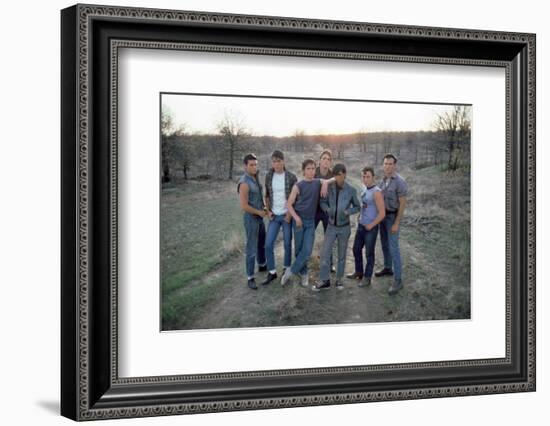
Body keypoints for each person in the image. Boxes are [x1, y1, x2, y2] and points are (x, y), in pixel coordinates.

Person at [280, 159, 332, 288]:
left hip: (310, 222)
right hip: (298, 221)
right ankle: (304, 273)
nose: (311, 171)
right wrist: (296, 218)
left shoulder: (317, 182)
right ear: (304, 170)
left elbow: (334, 179)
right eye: (308, 168)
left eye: (313, 168)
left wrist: (325, 182)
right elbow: (289, 205)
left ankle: (290, 271)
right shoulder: (298, 186)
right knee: (298, 250)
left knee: (307, 250)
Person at [313, 164, 360, 291]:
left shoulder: (351, 190)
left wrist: (347, 212)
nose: (338, 177)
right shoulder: (330, 187)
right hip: (331, 226)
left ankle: (339, 280)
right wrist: (327, 209)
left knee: (342, 255)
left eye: (340, 174)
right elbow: (322, 202)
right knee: (325, 253)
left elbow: (357, 206)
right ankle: (324, 280)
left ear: (344, 174)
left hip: (344, 228)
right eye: (336, 175)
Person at [261, 150, 297, 285]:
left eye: (278, 161)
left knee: (287, 244)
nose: (276, 164)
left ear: (283, 161)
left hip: (286, 216)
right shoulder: (269, 176)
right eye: (274, 161)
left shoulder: (291, 177)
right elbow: (267, 195)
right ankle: (272, 272)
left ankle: (286, 269)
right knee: (268, 244)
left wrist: (289, 214)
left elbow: (296, 198)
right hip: (274, 216)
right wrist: (267, 210)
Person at [375, 154, 408, 295]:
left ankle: (398, 280)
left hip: (393, 217)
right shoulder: (383, 180)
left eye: (390, 164)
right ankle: (388, 268)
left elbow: (402, 204)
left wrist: (396, 223)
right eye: (385, 164)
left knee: (394, 247)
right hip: (383, 217)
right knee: (384, 245)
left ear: (395, 165)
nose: (388, 166)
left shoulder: (399, 182)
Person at [347, 167, 386, 287]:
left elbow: (382, 213)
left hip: (371, 228)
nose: (365, 179)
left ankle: (367, 278)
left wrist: (372, 225)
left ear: (373, 177)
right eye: (363, 176)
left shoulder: (377, 192)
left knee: (369, 253)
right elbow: (366, 205)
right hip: (361, 225)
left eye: (368, 176)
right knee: (356, 249)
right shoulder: (364, 189)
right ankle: (359, 272)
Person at [237, 153, 268, 290]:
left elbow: (258, 197)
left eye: (256, 164)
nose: (254, 167)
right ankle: (250, 277)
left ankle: (262, 264)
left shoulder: (255, 178)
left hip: (260, 217)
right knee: (251, 247)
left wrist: (264, 207)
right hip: (251, 219)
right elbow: (244, 206)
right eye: (251, 165)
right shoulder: (244, 182)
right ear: (245, 166)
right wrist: (259, 212)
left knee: (262, 241)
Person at [314, 149, 336, 272]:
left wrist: (328, 181)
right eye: (324, 158)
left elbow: (339, 178)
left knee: (329, 237)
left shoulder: (332, 174)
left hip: (327, 210)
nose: (326, 161)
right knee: (308, 235)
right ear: (319, 161)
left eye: (328, 159)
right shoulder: (314, 171)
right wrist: (323, 181)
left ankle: (329, 263)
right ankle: (303, 261)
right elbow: (309, 180)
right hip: (314, 210)